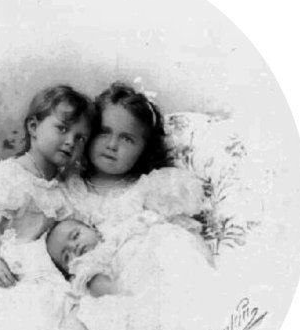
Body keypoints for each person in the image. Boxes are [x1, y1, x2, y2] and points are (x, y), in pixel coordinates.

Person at [0, 84, 95, 287]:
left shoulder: (65, 186)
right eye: (62, 129)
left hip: (40, 266)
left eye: (80, 138)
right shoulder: (13, 177)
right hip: (8, 258)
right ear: (33, 127)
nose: (71, 142)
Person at [46, 214, 216, 330]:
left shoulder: (117, 232)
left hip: (150, 259)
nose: (75, 246)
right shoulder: (84, 271)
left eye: (76, 235)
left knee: (164, 240)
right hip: (130, 291)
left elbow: (146, 224)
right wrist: (95, 280)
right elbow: (101, 293)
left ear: (93, 229)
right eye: (67, 255)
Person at [64, 81, 205, 236]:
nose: (112, 145)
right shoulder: (68, 184)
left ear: (144, 149)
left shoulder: (150, 190)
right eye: (103, 132)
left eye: (126, 139)